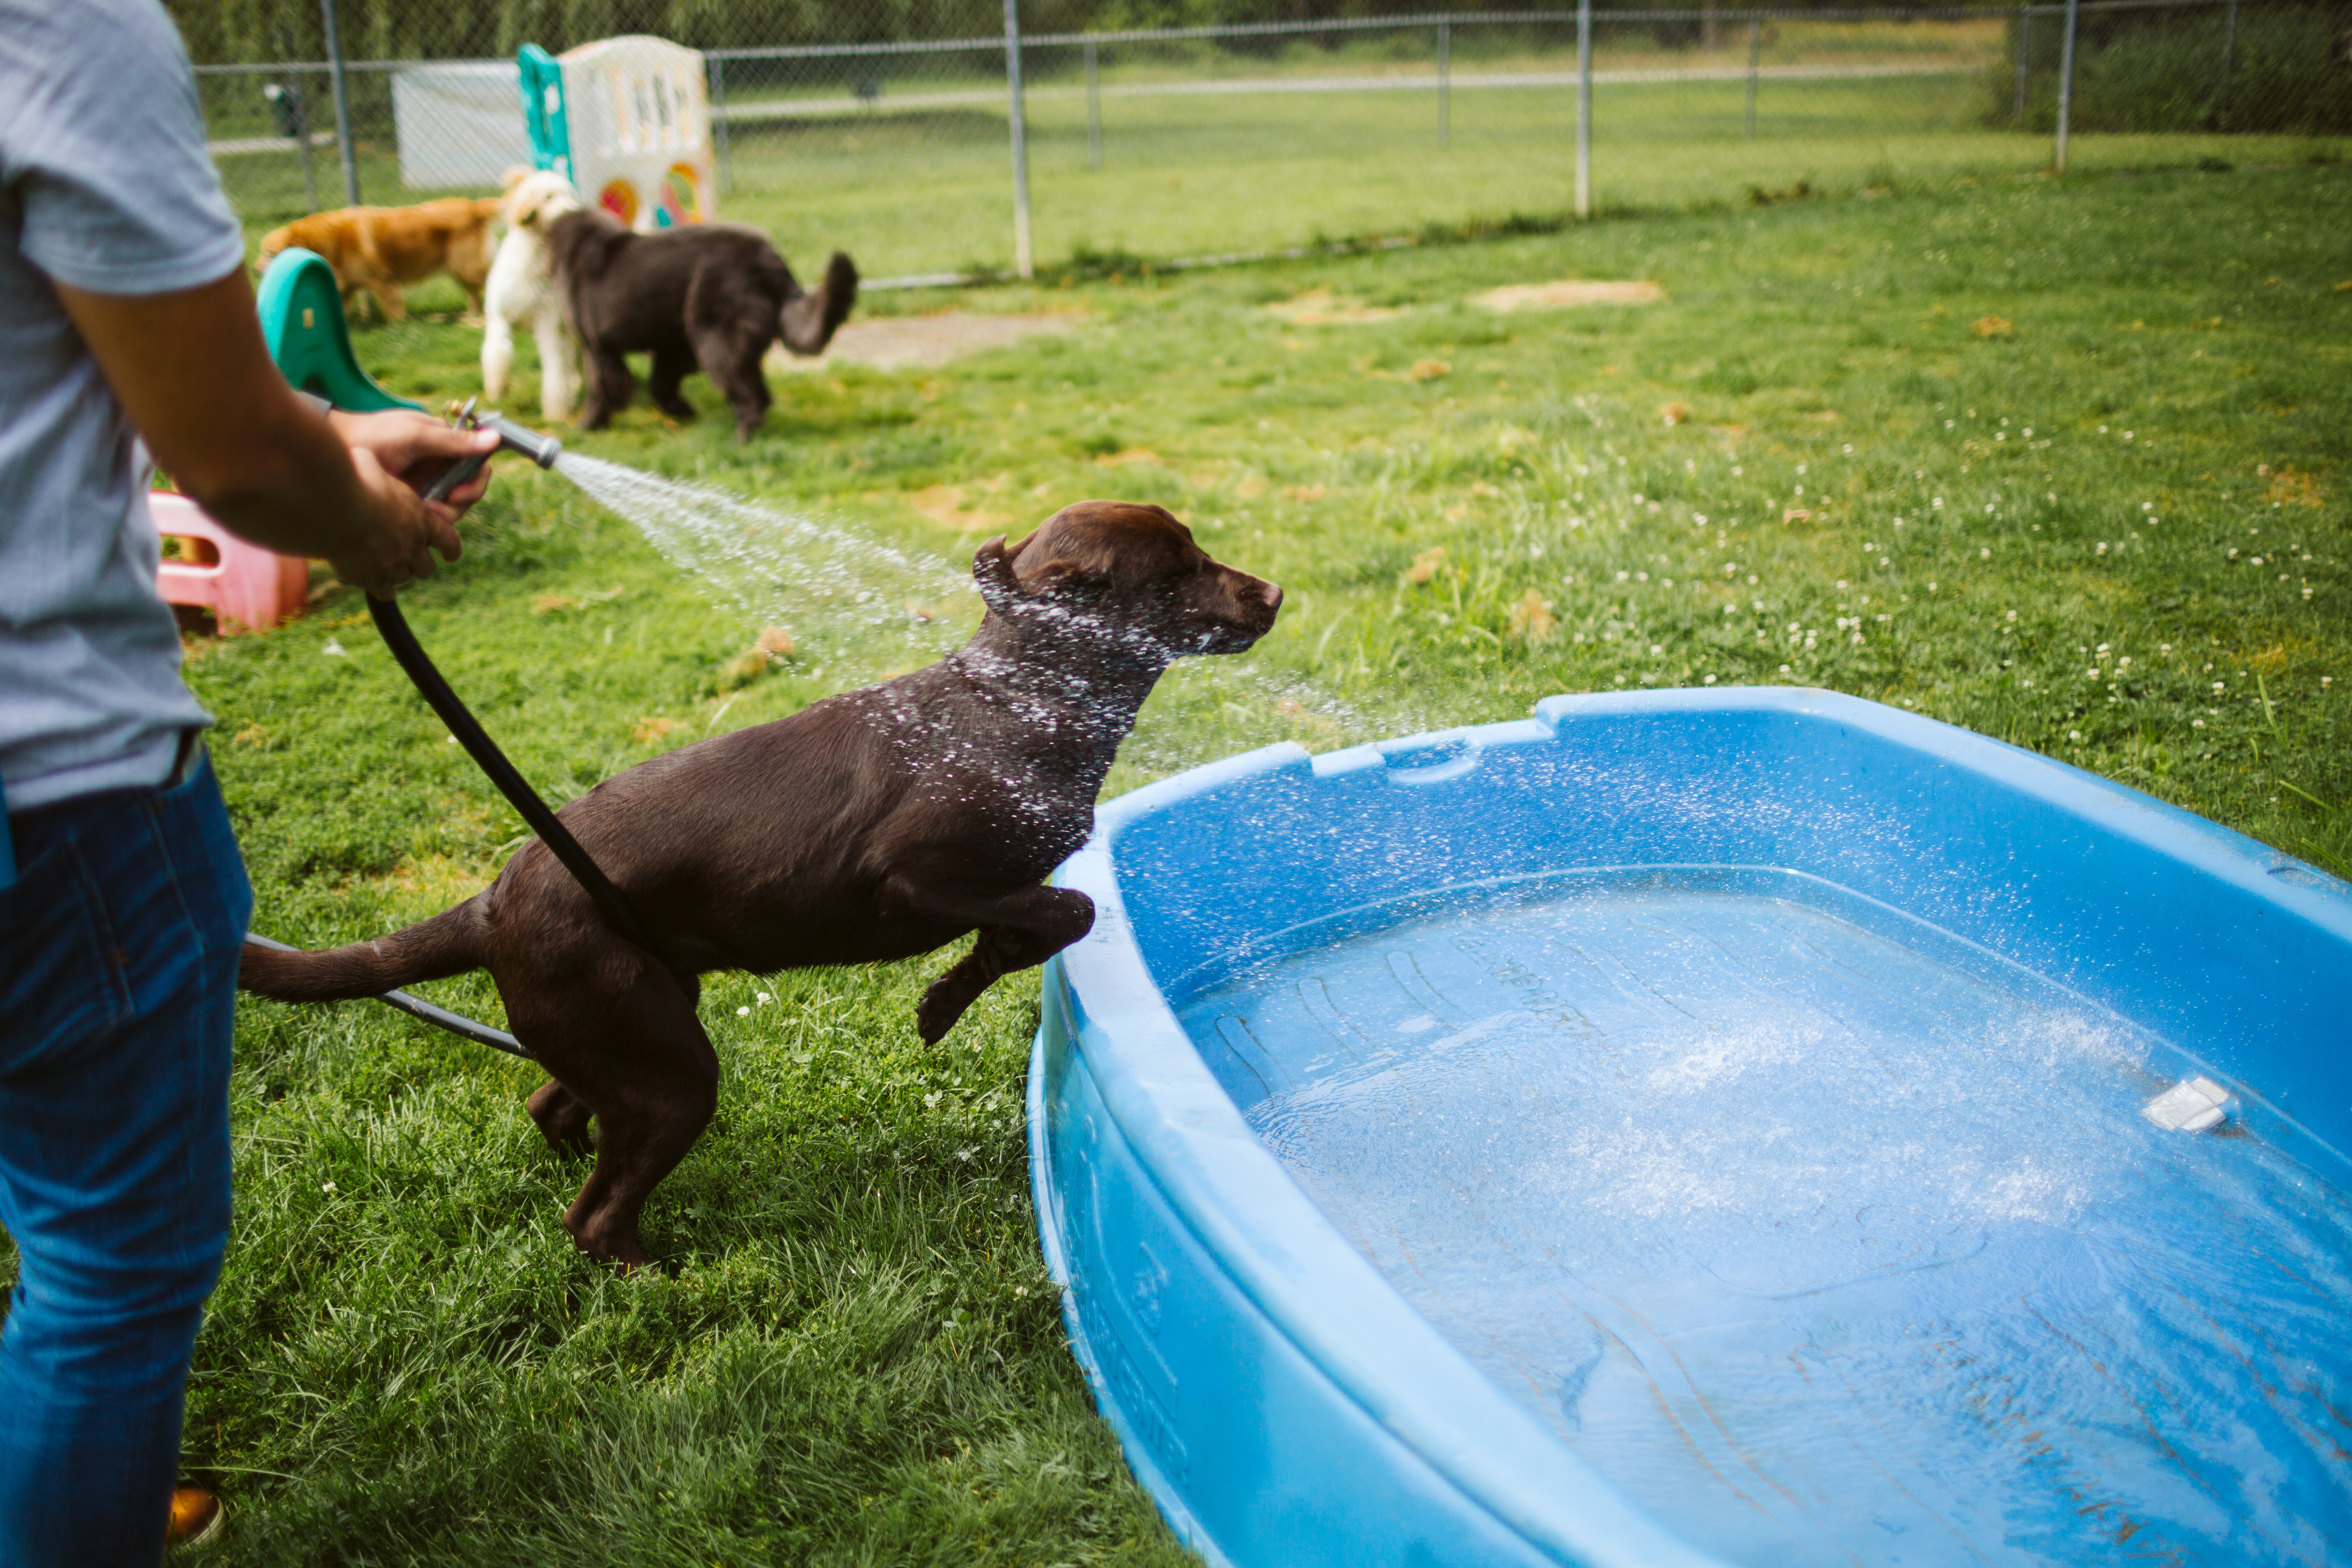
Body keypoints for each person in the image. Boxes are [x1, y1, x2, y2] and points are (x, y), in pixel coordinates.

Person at [0, 2, 502, 1559]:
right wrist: (366, 524)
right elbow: (223, 444)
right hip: (49, 780)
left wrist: (337, 428)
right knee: (111, 1261)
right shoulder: (61, 30)